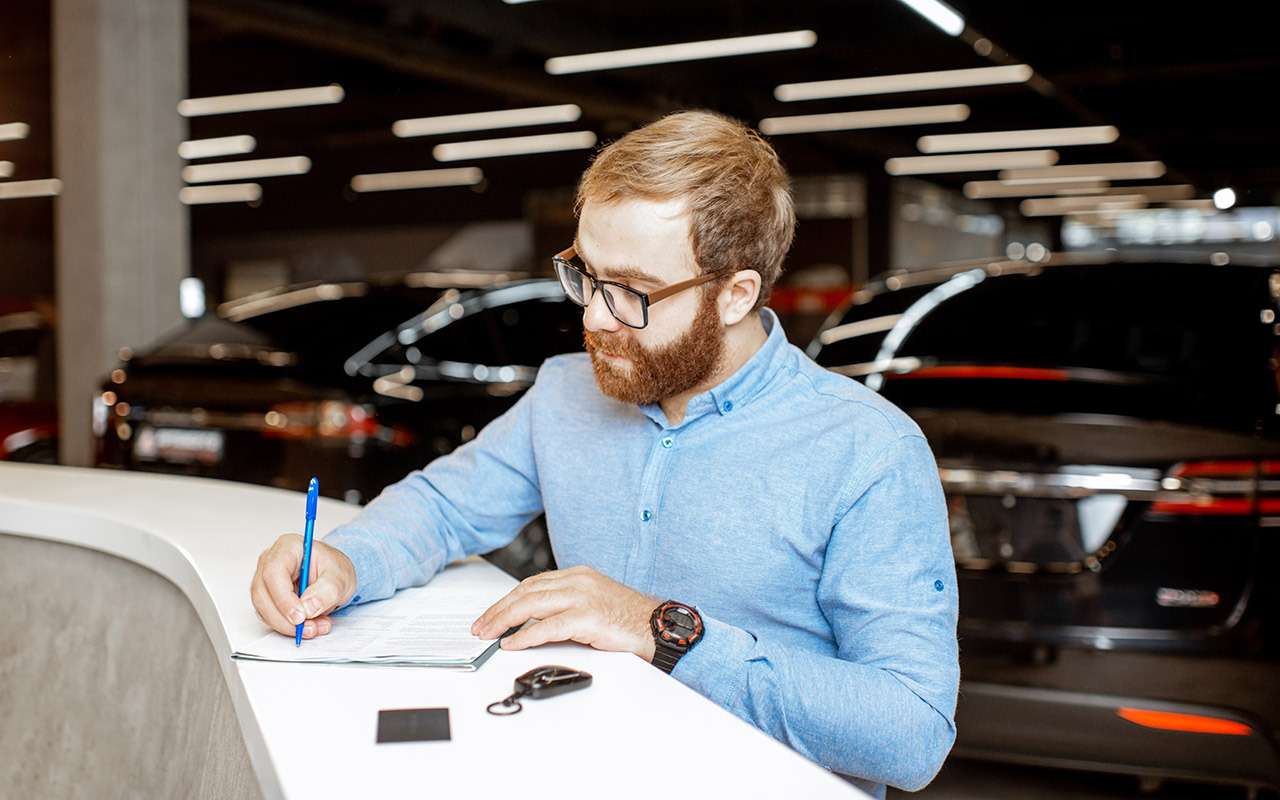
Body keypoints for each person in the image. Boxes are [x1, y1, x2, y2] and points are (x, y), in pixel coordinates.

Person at [250, 110, 958, 797]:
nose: (592, 318)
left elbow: (909, 733)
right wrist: (349, 560)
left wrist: (661, 631)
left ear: (737, 294)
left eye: (632, 292)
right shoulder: (565, 393)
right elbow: (442, 508)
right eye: (586, 275)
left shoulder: (868, 450)